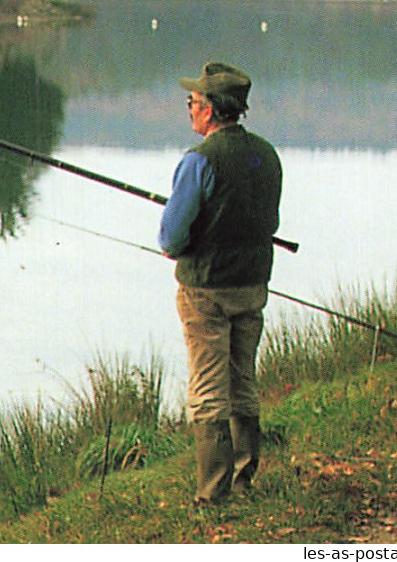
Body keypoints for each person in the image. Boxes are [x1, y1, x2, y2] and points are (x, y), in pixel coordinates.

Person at [159, 61, 283, 506]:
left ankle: (213, 494)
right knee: (243, 379)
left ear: (210, 111)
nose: (189, 109)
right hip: (253, 286)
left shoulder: (198, 162)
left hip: (205, 292)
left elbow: (171, 238)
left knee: (209, 389)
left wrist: (180, 246)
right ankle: (245, 479)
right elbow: (270, 220)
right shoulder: (266, 155)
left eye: (193, 102)